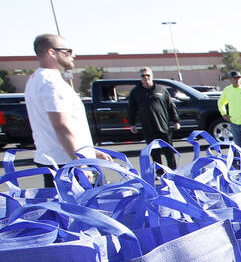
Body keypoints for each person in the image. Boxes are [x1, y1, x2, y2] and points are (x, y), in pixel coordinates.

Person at [25, 33, 109, 175]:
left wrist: (89, 151)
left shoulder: (36, 79)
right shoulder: (51, 82)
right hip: (66, 163)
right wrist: (80, 163)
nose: (72, 55)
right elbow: (61, 127)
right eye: (67, 51)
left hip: (58, 159)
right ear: (51, 52)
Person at [127, 66, 180, 169]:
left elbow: (171, 106)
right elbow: (131, 109)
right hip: (148, 128)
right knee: (154, 152)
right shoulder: (136, 92)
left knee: (169, 150)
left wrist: (176, 120)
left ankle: (173, 170)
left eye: (148, 75)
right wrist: (132, 124)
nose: (146, 77)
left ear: (152, 76)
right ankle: (159, 172)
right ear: (140, 77)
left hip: (163, 126)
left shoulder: (161, 89)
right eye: (143, 76)